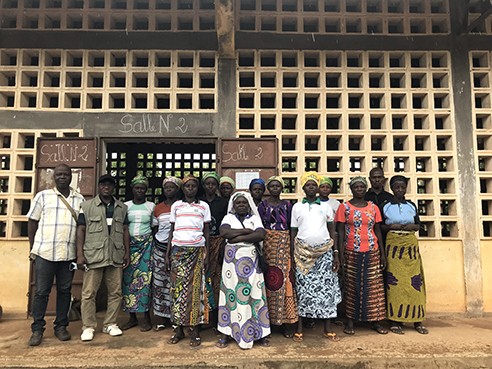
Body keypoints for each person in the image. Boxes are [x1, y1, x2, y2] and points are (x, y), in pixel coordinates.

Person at [26, 164, 85, 346]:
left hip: (68, 255)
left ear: (71, 177)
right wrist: (33, 247)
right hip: (45, 253)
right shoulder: (42, 196)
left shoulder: (79, 198)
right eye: (59, 174)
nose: (62, 177)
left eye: (66, 175)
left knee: (64, 292)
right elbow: (32, 221)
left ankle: (61, 326)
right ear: (54, 177)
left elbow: (81, 228)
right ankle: (37, 330)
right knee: (41, 292)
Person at [76, 174, 130, 342]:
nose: (106, 187)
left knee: (115, 292)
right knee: (89, 293)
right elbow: (81, 230)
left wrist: (127, 252)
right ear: (98, 187)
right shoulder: (86, 206)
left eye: (110, 185)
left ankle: (110, 324)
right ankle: (88, 327)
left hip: (115, 254)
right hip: (94, 255)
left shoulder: (121, 207)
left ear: (114, 188)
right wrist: (79, 254)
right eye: (103, 184)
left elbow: (125, 230)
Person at [290, 172, 341, 343]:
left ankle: (327, 328)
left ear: (318, 188)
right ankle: (300, 327)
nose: (311, 187)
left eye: (314, 185)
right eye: (308, 185)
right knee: (303, 291)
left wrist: (335, 254)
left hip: (325, 253)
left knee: (326, 291)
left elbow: (332, 230)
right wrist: (292, 255)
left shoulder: (326, 207)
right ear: (303, 188)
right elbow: (293, 232)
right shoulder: (297, 207)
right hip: (303, 255)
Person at [216, 192, 271, 349]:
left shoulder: (254, 218)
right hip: (231, 266)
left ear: (249, 205)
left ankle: (259, 333)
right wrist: (248, 233)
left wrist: (236, 238)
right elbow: (224, 233)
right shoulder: (228, 218)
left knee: (255, 295)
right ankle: (227, 332)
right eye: (238, 203)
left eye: (244, 203)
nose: (241, 205)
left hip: (252, 265)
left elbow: (261, 234)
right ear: (233, 205)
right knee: (231, 295)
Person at [165, 174, 214, 347]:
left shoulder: (204, 206)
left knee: (196, 291)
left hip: (197, 251)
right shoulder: (177, 206)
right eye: (187, 186)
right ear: (183, 189)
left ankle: (195, 329)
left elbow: (207, 232)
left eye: (193, 186)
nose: (190, 189)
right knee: (177, 290)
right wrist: (167, 254)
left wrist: (206, 253)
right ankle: (178, 329)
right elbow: (172, 230)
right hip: (178, 251)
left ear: (196, 188)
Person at [335, 176, 387, 335]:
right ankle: (350, 321)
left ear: (366, 189)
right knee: (352, 286)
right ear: (351, 189)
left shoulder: (373, 207)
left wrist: (383, 255)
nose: (359, 189)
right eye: (356, 187)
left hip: (372, 250)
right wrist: (341, 253)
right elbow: (341, 231)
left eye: (361, 187)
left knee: (374, 287)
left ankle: (375, 321)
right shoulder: (344, 207)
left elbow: (377, 230)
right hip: (351, 250)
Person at [380, 175, 428, 335]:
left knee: (415, 282)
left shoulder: (411, 205)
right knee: (394, 284)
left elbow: (418, 225)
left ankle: (417, 320)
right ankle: (395, 320)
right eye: (397, 187)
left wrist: (412, 226)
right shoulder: (385, 206)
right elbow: (379, 227)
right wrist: (390, 226)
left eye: (403, 187)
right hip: (393, 247)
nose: (400, 190)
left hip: (410, 247)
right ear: (392, 189)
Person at [257, 176, 298, 337]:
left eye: (277, 186)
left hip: (284, 242)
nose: (275, 189)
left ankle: (285, 321)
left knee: (285, 280)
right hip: (267, 243)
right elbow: (259, 226)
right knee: (268, 280)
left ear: (281, 188)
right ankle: (269, 322)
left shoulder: (288, 205)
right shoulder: (262, 205)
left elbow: (291, 226)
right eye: (272, 186)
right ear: (268, 189)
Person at [121, 176, 156, 332]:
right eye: (137, 188)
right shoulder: (125, 206)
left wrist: (148, 242)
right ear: (132, 189)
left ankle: (146, 317)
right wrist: (126, 250)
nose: (139, 190)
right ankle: (132, 318)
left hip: (146, 246)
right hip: (129, 246)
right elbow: (123, 228)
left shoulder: (151, 206)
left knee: (146, 281)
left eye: (142, 188)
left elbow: (154, 226)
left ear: (146, 190)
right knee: (128, 281)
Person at [152, 177, 181, 331]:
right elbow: (155, 230)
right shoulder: (157, 208)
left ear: (177, 189)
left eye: (172, 187)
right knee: (160, 283)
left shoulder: (181, 206)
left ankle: (176, 318)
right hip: (159, 248)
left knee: (175, 283)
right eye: (166, 188)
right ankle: (163, 318)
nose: (169, 190)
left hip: (177, 249)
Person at [200, 172, 228, 322]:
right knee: (203, 278)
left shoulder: (223, 203)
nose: (210, 186)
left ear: (217, 186)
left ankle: (217, 315)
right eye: (207, 184)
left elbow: (226, 225)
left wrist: (223, 245)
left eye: (213, 184)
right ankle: (204, 314)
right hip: (201, 243)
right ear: (203, 186)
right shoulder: (199, 202)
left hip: (218, 242)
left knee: (217, 279)